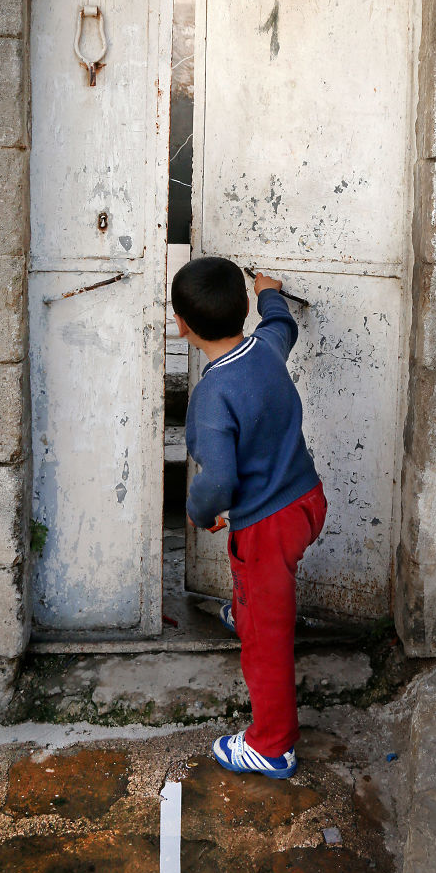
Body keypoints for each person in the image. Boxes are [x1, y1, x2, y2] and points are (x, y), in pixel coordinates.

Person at [171, 255, 326, 780]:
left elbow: (217, 480)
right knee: (264, 586)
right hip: (306, 503)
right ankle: (250, 607)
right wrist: (269, 292)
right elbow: (281, 324)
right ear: (243, 310)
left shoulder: (212, 396)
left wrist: (201, 512)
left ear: (182, 326)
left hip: (266, 525)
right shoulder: (265, 348)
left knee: (266, 642)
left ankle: (271, 744)